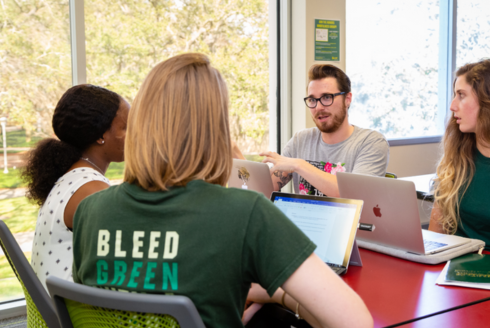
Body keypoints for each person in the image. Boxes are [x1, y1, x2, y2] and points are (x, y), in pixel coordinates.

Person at [71, 53, 373, 328]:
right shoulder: (246, 213)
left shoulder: (90, 211)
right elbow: (356, 322)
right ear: (215, 127)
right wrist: (279, 295)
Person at [23, 84, 129, 290]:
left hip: (59, 315)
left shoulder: (71, 179)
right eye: (126, 127)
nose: (136, 134)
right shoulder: (92, 191)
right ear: (100, 135)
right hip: (79, 317)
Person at [258, 64, 389, 197]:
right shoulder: (300, 140)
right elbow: (262, 188)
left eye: (327, 97)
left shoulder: (371, 142)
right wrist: (237, 156)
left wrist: (299, 165)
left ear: (347, 99)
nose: (318, 107)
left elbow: (356, 195)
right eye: (312, 99)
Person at [429, 59, 490, 248]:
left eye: (461, 95)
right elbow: (434, 237)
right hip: (454, 266)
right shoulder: (457, 155)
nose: (452, 106)